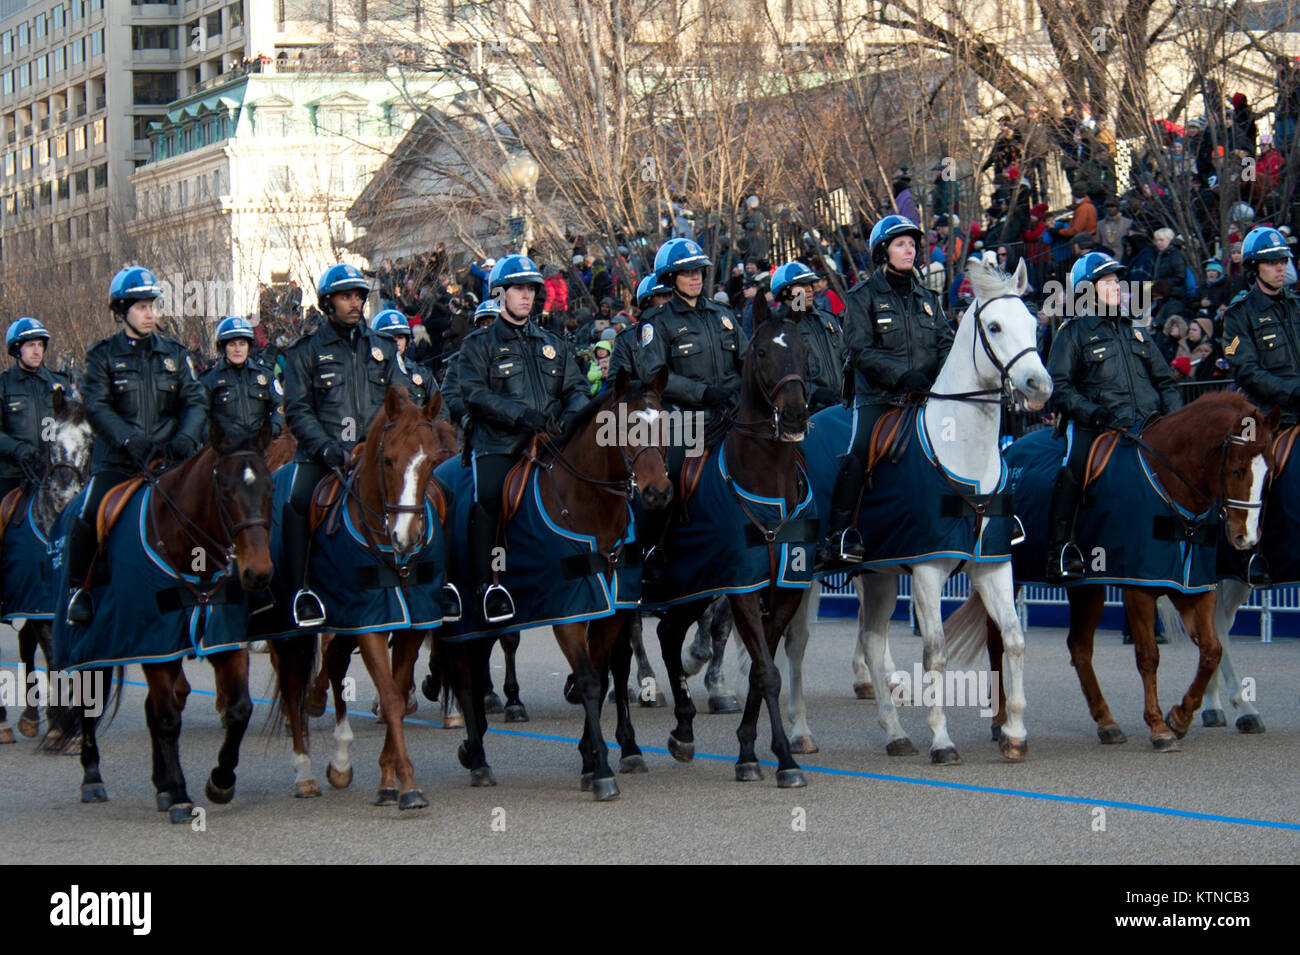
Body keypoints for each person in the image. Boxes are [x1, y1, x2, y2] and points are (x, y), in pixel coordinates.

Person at [66, 267, 208, 624]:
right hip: (119, 462)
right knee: (88, 513)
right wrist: (128, 440)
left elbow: (195, 401)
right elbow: (96, 406)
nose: (150, 313)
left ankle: (212, 581)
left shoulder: (174, 354)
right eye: (141, 306)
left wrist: (186, 438)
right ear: (122, 311)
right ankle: (79, 591)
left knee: (213, 506)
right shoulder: (102, 356)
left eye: (153, 306)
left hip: (170, 460)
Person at [814, 214, 952, 568]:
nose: (909, 250)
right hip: (878, 398)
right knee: (857, 454)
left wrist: (936, 378)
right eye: (900, 244)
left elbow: (945, 344)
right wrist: (902, 376)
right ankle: (839, 535)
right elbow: (858, 349)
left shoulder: (928, 298)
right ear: (882, 252)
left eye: (912, 244)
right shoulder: (862, 296)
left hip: (925, 397)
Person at [458, 254, 588, 623]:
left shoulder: (552, 343)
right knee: (488, 500)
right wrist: (522, 416)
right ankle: (488, 586)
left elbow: (576, 388)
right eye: (518, 288)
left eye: (531, 288)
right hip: (500, 444)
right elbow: (475, 395)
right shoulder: (478, 344)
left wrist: (565, 418)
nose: (526, 295)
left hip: (551, 442)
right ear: (499, 294)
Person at [1043, 251, 1181, 580]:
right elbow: (1059, 386)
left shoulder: (1137, 331)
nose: (1117, 287)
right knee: (1072, 468)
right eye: (1107, 282)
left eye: (1117, 281)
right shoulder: (1072, 331)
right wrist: (1093, 413)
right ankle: (1060, 550)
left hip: (1149, 425)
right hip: (1099, 426)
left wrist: (1174, 421)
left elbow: (1165, 382)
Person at [281, 263, 399, 627]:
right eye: (346, 296)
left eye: (359, 296)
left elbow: (399, 401)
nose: (354, 303)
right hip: (325, 456)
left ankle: (433, 584)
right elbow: (298, 410)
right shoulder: (305, 351)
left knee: (427, 494)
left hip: (376, 456)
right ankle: (302, 591)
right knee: (296, 503)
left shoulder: (383, 348)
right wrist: (326, 448)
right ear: (327, 303)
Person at [636, 237, 748, 579]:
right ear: (671, 279)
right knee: (664, 475)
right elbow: (655, 375)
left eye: (698, 271)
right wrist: (703, 393)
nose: (695, 278)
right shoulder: (658, 323)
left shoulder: (723, 315)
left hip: (732, 414)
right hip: (686, 419)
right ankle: (654, 548)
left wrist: (736, 390)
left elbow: (746, 361)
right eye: (686, 273)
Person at [0, 318, 70, 502]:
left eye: (40, 345)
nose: (37, 350)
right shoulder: (3, 385)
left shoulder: (61, 384)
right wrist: (19, 450)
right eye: (31, 345)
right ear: (16, 349)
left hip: (54, 472)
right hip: (12, 474)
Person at [769, 260, 845, 414]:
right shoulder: (777, 330)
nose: (810, 289)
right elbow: (775, 377)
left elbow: (847, 359)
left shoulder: (828, 320)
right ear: (785, 291)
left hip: (841, 407)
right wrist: (813, 394)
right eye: (802, 285)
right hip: (806, 413)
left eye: (810, 284)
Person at [200, 316, 283, 449]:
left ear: (249, 346)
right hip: (226, 451)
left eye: (242, 344)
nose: (238, 350)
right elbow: (200, 415)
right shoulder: (209, 380)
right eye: (232, 344)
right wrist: (214, 442)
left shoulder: (265, 375)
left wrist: (272, 430)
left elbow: (280, 405)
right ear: (223, 347)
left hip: (261, 448)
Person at [373, 308, 436, 407]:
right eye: (391, 337)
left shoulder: (422, 373)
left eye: (400, 337)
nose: (396, 342)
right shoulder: (368, 373)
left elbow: (440, 411)